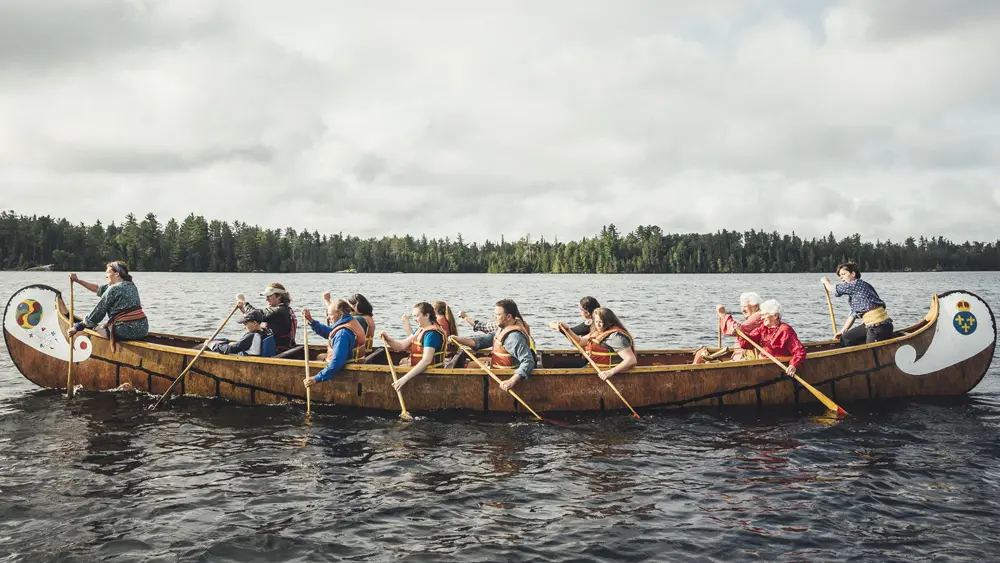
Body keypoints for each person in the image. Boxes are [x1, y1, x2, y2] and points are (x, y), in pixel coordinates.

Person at [452, 299, 536, 391]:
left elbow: (528, 361)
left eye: (498, 315)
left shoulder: (514, 337)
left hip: (505, 376)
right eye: (494, 314)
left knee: (470, 367)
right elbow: (483, 340)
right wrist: (458, 339)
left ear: (509, 317)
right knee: (476, 362)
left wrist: (511, 381)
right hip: (500, 369)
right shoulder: (504, 328)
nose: (495, 317)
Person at [67, 261, 148, 349]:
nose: (106, 276)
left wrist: (78, 327)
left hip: (126, 330)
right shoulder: (131, 285)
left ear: (117, 274)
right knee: (103, 326)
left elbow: (97, 314)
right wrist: (77, 280)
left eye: (108, 272)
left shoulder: (113, 289)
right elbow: (97, 289)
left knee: (95, 329)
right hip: (143, 329)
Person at [822, 262, 894, 347]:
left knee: (870, 350)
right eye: (840, 276)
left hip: (879, 326)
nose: (841, 277)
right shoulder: (857, 291)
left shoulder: (856, 284)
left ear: (853, 274)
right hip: (869, 325)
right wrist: (843, 330)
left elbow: (833, 289)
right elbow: (853, 314)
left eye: (843, 274)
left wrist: (825, 281)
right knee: (846, 338)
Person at [556, 307, 636, 380]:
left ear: (610, 322)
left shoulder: (616, 337)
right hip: (592, 368)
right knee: (558, 364)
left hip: (606, 373)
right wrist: (567, 330)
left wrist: (610, 372)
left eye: (601, 322)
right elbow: (579, 342)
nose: (598, 325)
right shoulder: (598, 332)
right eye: (596, 322)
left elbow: (631, 360)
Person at [380, 302, 447, 391]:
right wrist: (388, 339)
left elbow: (426, 361)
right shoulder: (420, 330)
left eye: (417, 316)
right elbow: (401, 346)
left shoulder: (431, 334)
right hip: (420, 371)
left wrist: (404, 379)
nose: (414, 319)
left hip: (429, 374)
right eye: (413, 316)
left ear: (427, 315)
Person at [302, 299, 367, 388]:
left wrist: (316, 378)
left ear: (340, 314)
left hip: (347, 368)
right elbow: (330, 332)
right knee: (319, 356)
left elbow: (337, 362)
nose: (328, 318)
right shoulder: (349, 321)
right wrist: (311, 321)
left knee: (317, 359)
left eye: (330, 315)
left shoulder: (342, 334)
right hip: (351, 359)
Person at [741, 299, 806, 377]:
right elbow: (749, 342)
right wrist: (741, 334)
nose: (762, 318)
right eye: (761, 315)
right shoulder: (763, 328)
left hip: (777, 369)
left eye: (765, 314)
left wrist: (793, 365)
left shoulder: (785, 330)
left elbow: (799, 351)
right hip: (762, 367)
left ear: (775, 316)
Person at [694, 292, 765, 363]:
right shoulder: (754, 316)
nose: (743, 310)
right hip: (740, 357)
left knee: (701, 356)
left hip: (746, 359)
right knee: (701, 352)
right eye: (741, 307)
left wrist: (723, 315)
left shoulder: (758, 316)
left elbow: (736, 329)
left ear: (755, 306)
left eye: (745, 306)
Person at [239, 282, 297, 352]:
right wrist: (243, 310)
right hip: (286, 348)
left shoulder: (277, 311)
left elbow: (254, 314)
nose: (267, 299)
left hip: (277, 351)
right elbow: (254, 316)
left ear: (279, 296)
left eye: (269, 296)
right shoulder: (287, 310)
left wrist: (243, 302)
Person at [209, 309, 276, 357]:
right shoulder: (267, 332)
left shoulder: (251, 336)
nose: (244, 327)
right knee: (227, 342)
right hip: (261, 357)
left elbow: (232, 349)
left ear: (255, 323)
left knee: (223, 348)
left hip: (252, 362)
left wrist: (212, 345)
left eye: (245, 324)